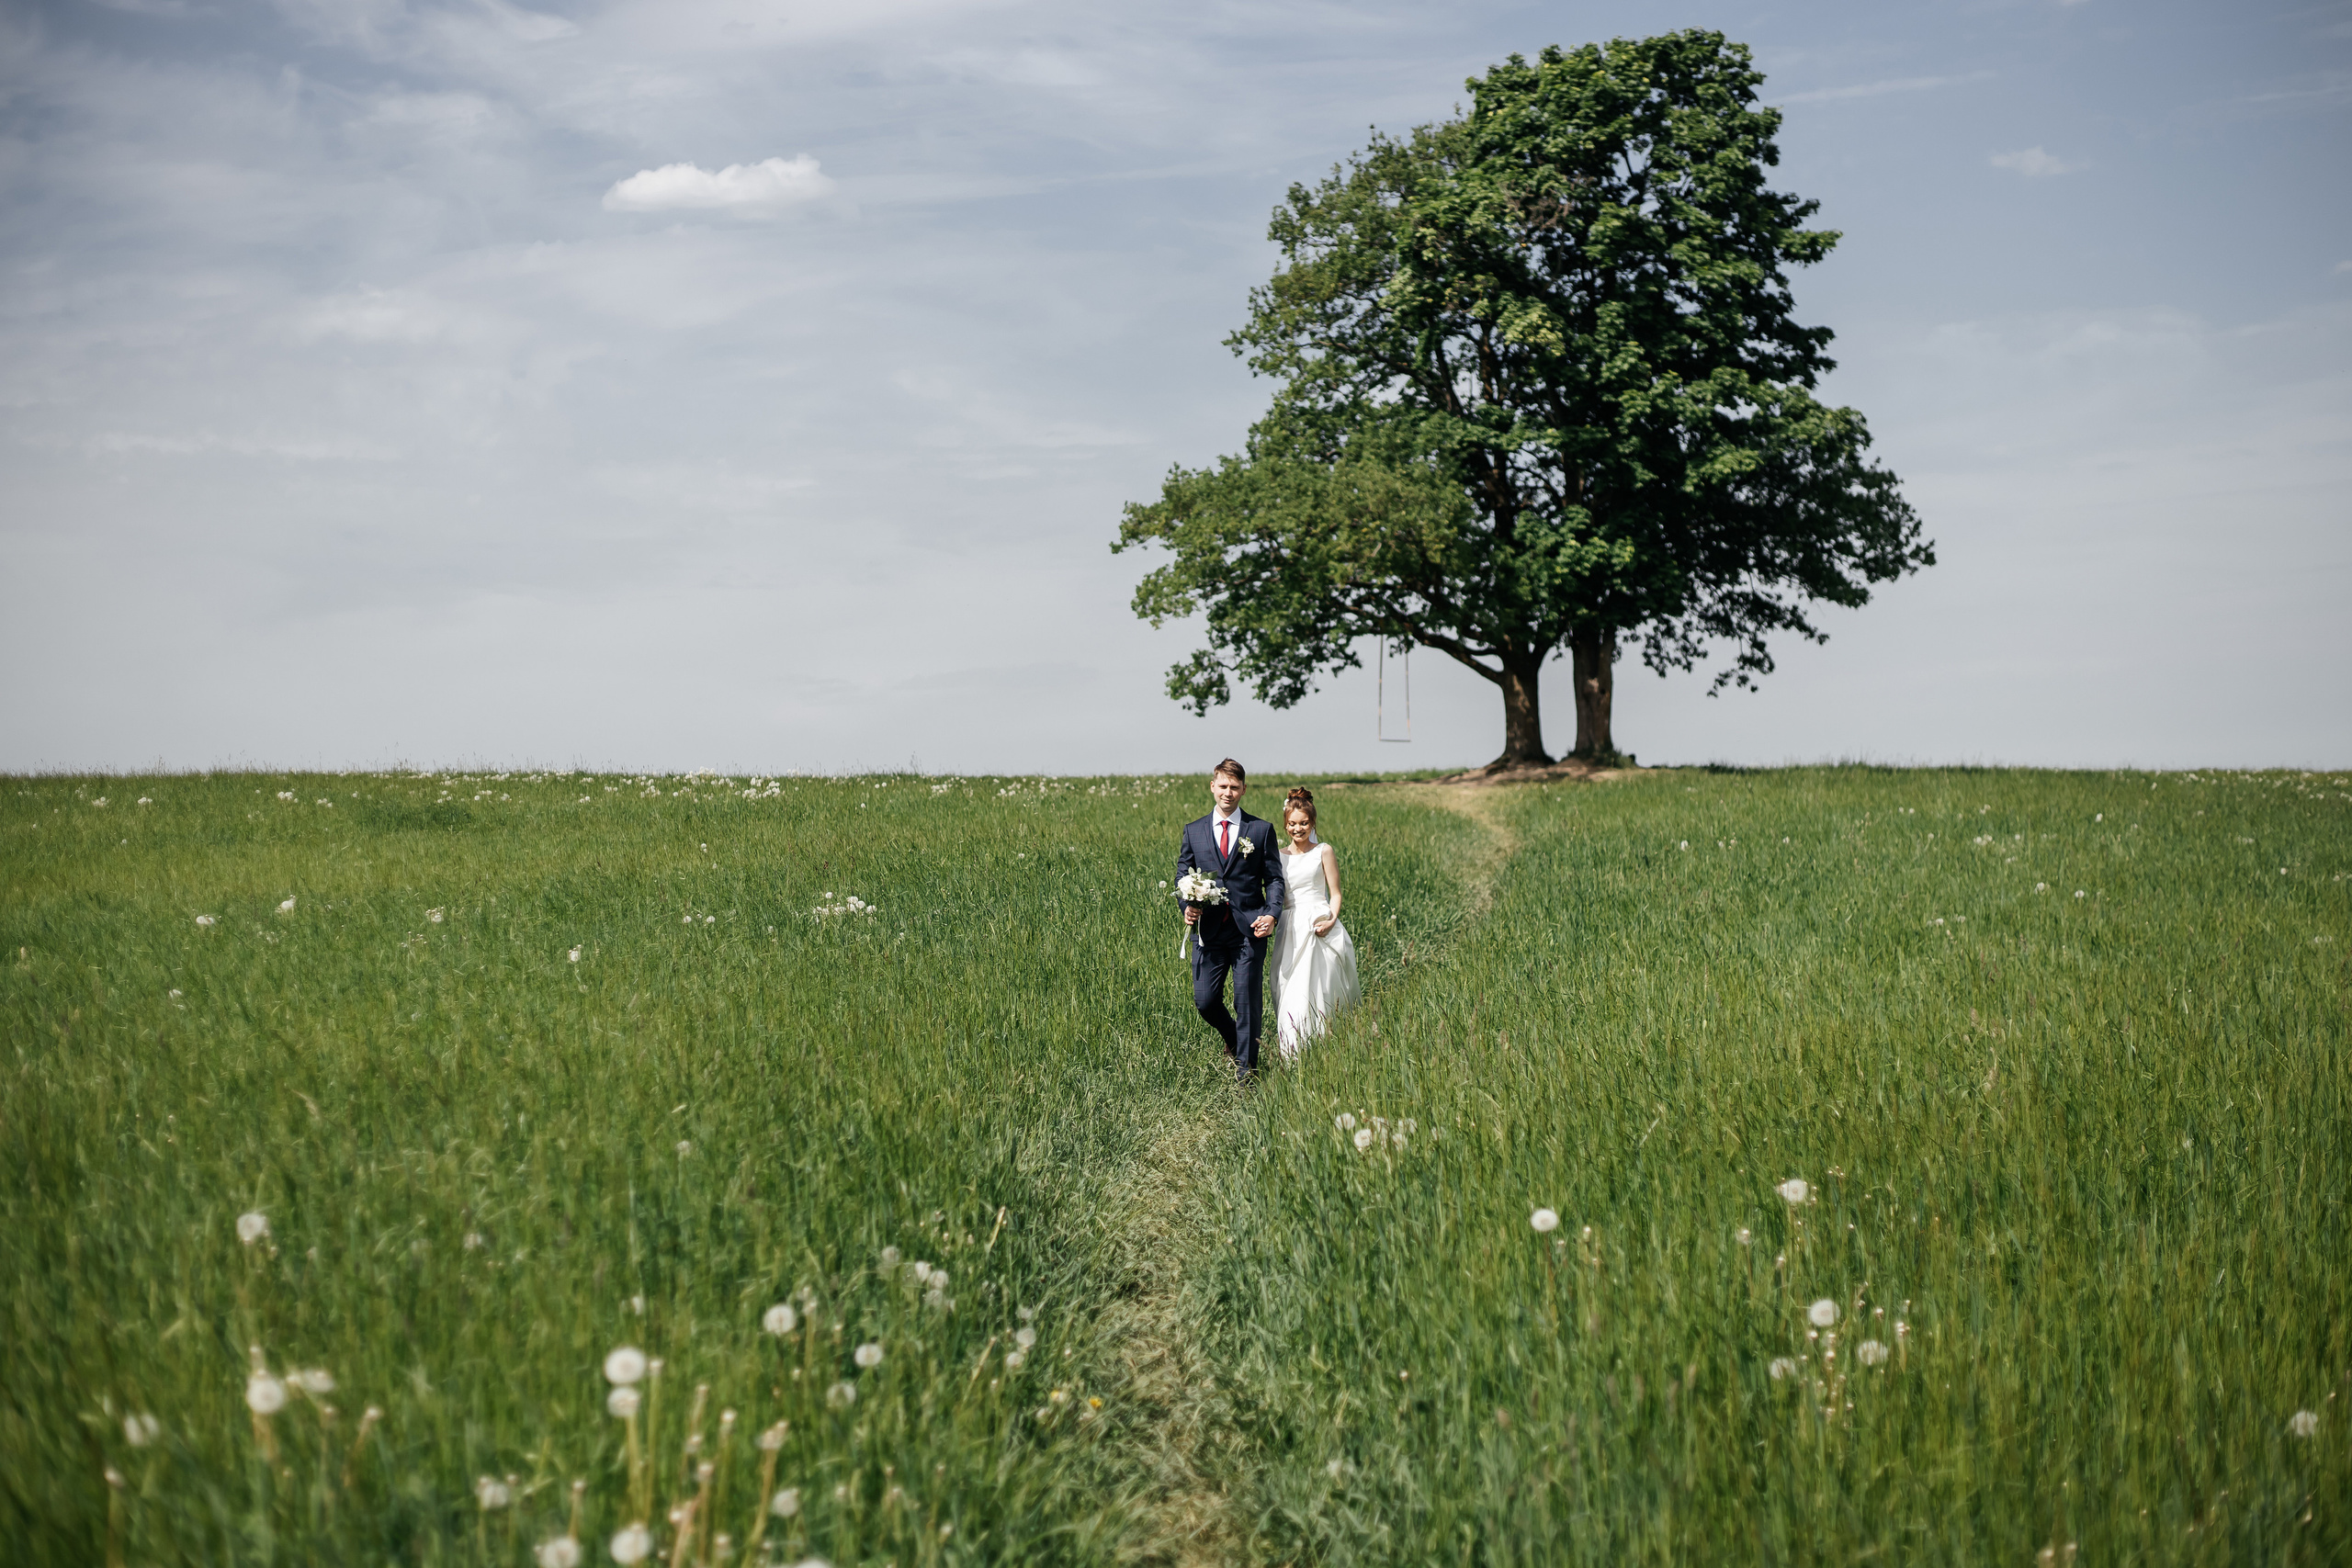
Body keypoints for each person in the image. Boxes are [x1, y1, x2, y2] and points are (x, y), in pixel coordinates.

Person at [1175, 758, 1285, 1081]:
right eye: (1222, 786)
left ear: (1244, 790)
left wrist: (1272, 914)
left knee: (1246, 1001)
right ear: (1212, 786)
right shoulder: (1193, 831)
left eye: (1234, 787)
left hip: (1248, 930)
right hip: (1208, 933)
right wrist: (1185, 906)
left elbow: (1274, 880)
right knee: (1205, 1001)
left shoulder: (1260, 830)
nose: (1228, 792)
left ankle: (1246, 1075)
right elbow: (1183, 874)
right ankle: (1236, 1040)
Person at [1270, 786, 1360, 1060]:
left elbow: (1336, 893)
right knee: (1287, 988)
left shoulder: (1324, 851)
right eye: (1293, 824)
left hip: (1318, 924)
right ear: (1285, 825)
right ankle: (1292, 1053)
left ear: (1313, 823)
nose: (1299, 829)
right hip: (1290, 928)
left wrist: (1331, 920)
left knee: (1319, 988)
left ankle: (1324, 1047)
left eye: (1304, 823)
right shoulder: (1278, 854)